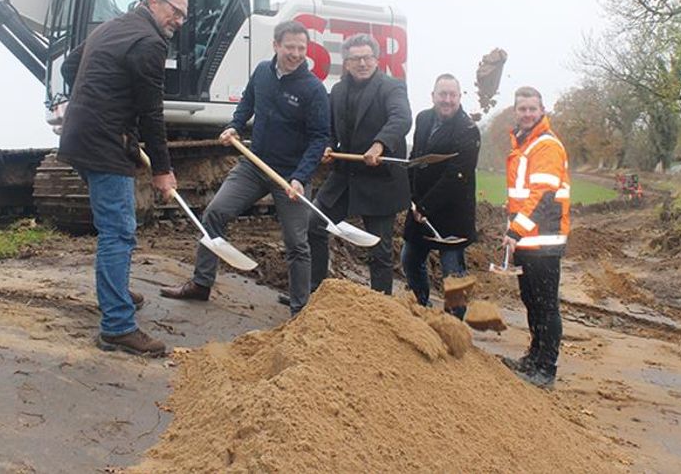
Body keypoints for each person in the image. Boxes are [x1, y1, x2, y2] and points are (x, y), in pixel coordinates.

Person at [160, 21, 330, 316]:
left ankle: (300, 309)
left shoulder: (313, 89)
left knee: (296, 243)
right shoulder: (263, 71)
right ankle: (201, 284)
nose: (296, 54)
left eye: (302, 48)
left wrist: (301, 178)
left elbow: (319, 139)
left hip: (289, 176)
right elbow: (247, 102)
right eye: (290, 47)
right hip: (253, 164)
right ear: (276, 45)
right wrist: (234, 126)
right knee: (214, 214)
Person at [58, 0, 187, 357]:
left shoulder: (112, 26)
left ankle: (115, 290)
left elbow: (70, 66)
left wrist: (91, 104)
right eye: (173, 10)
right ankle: (117, 326)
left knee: (113, 228)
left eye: (182, 15)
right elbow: (151, 112)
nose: (177, 20)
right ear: (153, 1)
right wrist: (161, 170)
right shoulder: (150, 43)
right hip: (104, 144)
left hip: (80, 137)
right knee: (119, 231)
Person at [309, 33, 412, 296]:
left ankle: (380, 303)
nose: (362, 63)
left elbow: (401, 119)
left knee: (379, 248)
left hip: (380, 178)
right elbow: (330, 129)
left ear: (376, 60)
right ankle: (316, 292)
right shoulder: (338, 91)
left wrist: (379, 145)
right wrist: (328, 146)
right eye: (355, 59)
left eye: (367, 57)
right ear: (346, 63)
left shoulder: (392, 87)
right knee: (315, 225)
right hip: (345, 176)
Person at [500, 86, 571, 389]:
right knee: (531, 301)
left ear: (542, 110)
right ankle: (533, 356)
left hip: (544, 240)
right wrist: (513, 230)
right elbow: (520, 197)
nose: (527, 113)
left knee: (546, 305)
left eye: (532, 108)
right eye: (522, 108)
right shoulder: (523, 145)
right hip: (527, 240)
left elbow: (542, 197)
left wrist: (515, 230)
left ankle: (546, 367)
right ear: (515, 111)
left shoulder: (546, 146)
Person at [401, 74, 480, 319]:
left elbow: (456, 175)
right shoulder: (423, 119)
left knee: (453, 273)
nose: (447, 100)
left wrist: (425, 206)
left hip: (452, 212)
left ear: (459, 97)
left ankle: (454, 322)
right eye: (442, 94)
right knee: (410, 259)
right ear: (433, 96)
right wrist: (411, 195)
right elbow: (416, 158)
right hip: (420, 207)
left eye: (452, 95)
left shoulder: (468, 130)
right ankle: (420, 307)